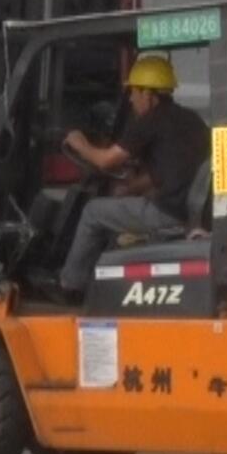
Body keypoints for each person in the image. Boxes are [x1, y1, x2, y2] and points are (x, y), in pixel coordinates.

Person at [57, 56, 210, 298]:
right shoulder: (191, 119)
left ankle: (70, 285)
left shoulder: (149, 121)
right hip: (187, 210)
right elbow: (171, 169)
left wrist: (80, 143)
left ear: (148, 94)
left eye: (133, 92)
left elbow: (106, 160)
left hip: (166, 213)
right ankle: (101, 283)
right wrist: (130, 188)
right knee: (113, 208)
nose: (130, 99)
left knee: (92, 212)